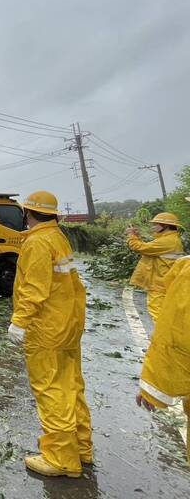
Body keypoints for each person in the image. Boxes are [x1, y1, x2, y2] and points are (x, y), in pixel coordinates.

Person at [8, 190, 92, 478]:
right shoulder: (57, 237)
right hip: (67, 325)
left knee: (51, 390)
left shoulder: (37, 243)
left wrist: (19, 321)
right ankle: (81, 448)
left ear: (27, 213)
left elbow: (35, 288)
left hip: (46, 330)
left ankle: (60, 459)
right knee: (71, 387)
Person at [135, 198, 190, 463]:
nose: (154, 226)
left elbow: (177, 336)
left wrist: (155, 386)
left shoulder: (185, 268)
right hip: (161, 285)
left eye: (157, 223)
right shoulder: (176, 247)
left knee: (161, 319)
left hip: (161, 287)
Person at [126, 212, 184, 322]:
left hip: (160, 284)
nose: (153, 227)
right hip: (164, 282)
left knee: (158, 314)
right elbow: (150, 250)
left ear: (165, 226)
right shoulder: (169, 239)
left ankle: (162, 338)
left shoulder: (167, 241)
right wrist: (137, 237)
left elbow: (140, 248)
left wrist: (131, 236)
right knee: (165, 314)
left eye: (156, 224)